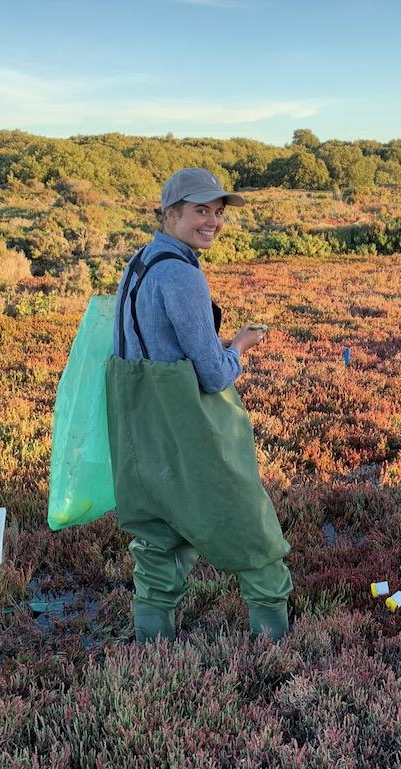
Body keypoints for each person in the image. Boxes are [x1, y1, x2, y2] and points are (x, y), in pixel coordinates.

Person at [106, 167, 292, 642]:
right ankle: (273, 635)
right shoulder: (181, 274)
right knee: (243, 515)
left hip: (135, 420)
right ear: (170, 213)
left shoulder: (140, 262)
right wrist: (241, 346)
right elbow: (212, 374)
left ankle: (153, 639)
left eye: (217, 212)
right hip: (184, 419)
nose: (211, 221)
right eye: (199, 211)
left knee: (157, 524)